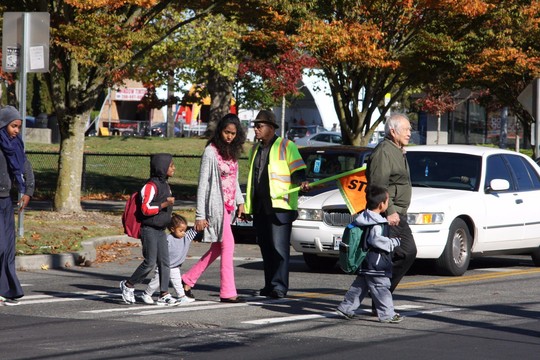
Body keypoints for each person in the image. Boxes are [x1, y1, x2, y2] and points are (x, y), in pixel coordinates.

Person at [244, 110, 309, 299]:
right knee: (266, 249)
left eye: (259, 126)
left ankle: (279, 287)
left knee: (279, 250)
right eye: (255, 126)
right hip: (260, 207)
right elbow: (252, 179)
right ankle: (269, 285)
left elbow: (298, 171)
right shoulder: (254, 149)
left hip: (280, 206)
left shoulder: (287, 146)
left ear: (271, 128)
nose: (256, 129)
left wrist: (301, 182)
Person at [182, 113, 247, 303]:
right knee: (229, 245)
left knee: (218, 247)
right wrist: (200, 215)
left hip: (229, 207)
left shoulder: (232, 151)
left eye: (233, 134)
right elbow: (202, 184)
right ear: (220, 131)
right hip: (214, 207)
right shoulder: (211, 152)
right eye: (227, 132)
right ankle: (227, 292)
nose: (230, 136)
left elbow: (233, 180)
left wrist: (240, 201)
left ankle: (187, 280)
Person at [335, 185, 403, 323]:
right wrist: (393, 242)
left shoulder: (363, 218)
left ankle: (346, 308)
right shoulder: (377, 222)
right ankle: (387, 314)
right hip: (376, 262)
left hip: (364, 260)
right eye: (387, 201)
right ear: (381, 204)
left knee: (360, 286)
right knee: (381, 288)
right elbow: (375, 239)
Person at [366, 113, 417, 294]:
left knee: (402, 253)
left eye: (410, 129)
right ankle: (379, 292)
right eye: (406, 129)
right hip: (388, 214)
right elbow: (379, 186)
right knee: (406, 252)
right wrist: (390, 212)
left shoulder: (397, 150)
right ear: (393, 131)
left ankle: (379, 292)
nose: (410, 133)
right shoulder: (384, 152)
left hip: (398, 213)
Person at [120, 153, 178, 306]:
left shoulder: (166, 185)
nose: (174, 168)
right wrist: (164, 205)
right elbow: (145, 209)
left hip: (161, 230)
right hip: (149, 229)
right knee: (150, 262)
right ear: (162, 167)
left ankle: (164, 294)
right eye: (171, 165)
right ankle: (128, 285)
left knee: (165, 262)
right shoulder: (150, 186)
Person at [0, 106, 35, 306]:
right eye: (13, 126)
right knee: (0, 246)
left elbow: (25, 167)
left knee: (7, 249)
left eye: (19, 127)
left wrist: (28, 191)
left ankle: (7, 289)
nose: (16, 131)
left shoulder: (16, 145)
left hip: (6, 201)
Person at [140, 213, 197, 305]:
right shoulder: (167, 239)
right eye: (181, 230)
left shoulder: (186, 237)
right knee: (156, 282)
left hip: (175, 266)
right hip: (164, 266)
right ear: (172, 229)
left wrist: (200, 225)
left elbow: (195, 230)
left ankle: (182, 296)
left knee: (177, 282)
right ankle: (146, 294)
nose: (183, 233)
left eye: (184, 230)